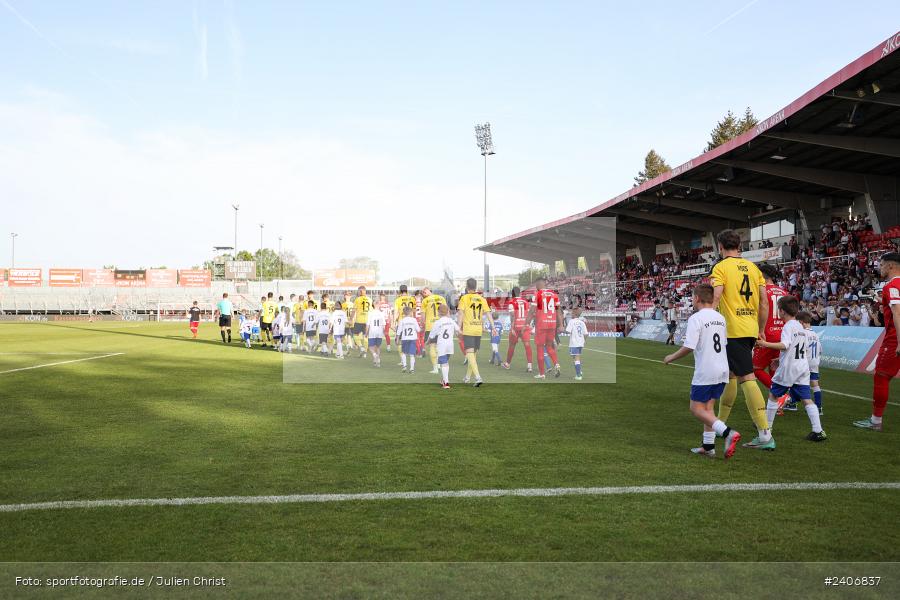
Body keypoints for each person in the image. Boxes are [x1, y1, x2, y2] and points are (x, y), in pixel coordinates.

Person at [710, 229, 772, 450]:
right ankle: (721, 423)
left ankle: (765, 433)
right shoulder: (755, 269)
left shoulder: (720, 267)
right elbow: (764, 302)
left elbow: (716, 295)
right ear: (739, 246)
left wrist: (706, 320)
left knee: (747, 376)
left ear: (720, 246)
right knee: (731, 375)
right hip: (750, 327)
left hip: (733, 329)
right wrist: (761, 329)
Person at [664, 283, 741, 459]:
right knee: (708, 408)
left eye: (692, 297)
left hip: (706, 369)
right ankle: (708, 447)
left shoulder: (696, 318)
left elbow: (689, 346)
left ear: (697, 298)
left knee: (696, 408)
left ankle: (728, 433)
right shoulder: (720, 318)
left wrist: (671, 357)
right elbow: (724, 344)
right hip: (722, 369)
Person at [755, 296, 826, 442]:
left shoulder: (788, 326)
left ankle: (767, 430)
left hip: (790, 368)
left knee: (773, 395)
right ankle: (818, 431)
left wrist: (764, 343)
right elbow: (799, 348)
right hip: (802, 367)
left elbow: (785, 344)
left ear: (781, 311)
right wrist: (778, 359)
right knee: (806, 399)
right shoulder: (800, 327)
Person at [854, 252, 900, 431]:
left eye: (881, 265)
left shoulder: (892, 285)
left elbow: (897, 312)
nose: (879, 269)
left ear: (890, 266)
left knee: (881, 376)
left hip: (894, 338)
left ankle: (875, 421)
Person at [753, 263, 790, 397]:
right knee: (774, 369)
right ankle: (778, 402)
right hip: (782, 336)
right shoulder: (784, 292)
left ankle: (783, 395)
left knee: (755, 369)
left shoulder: (761, 292)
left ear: (761, 276)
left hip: (766, 335)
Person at [456, 277, 496, 387]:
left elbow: (460, 313)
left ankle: (478, 377)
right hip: (478, 329)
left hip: (469, 329)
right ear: (476, 286)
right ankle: (467, 377)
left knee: (470, 354)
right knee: (472, 355)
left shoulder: (464, 298)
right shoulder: (481, 299)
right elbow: (488, 314)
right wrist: (493, 328)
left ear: (467, 287)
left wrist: (458, 328)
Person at [789, 311, 823, 415]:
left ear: (801, 322)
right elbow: (820, 350)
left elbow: (799, 349)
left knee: (793, 381)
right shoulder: (815, 335)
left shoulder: (803, 334)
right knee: (815, 385)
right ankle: (819, 407)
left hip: (804, 362)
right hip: (814, 362)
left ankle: (793, 403)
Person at [530, 277, 562, 379]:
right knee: (549, 347)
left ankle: (542, 374)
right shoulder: (554, 295)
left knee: (540, 348)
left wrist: (526, 323)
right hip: (552, 324)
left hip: (541, 325)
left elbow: (531, 311)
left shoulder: (538, 294)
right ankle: (556, 364)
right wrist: (561, 325)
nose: (535, 287)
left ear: (539, 284)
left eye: (536, 285)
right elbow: (559, 312)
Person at [429, 303, 461, 389]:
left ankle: (446, 383)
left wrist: (427, 341)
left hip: (442, 345)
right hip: (450, 345)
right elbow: (458, 330)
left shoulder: (438, 322)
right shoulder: (451, 321)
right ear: (447, 311)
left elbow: (432, 336)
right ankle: (444, 380)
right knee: (445, 362)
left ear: (438, 312)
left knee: (444, 363)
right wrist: (461, 338)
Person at [502, 287, 534, 372]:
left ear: (512, 294)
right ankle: (529, 365)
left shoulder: (512, 302)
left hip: (516, 326)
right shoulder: (526, 302)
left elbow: (512, 315)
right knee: (527, 345)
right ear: (519, 293)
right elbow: (530, 313)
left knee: (512, 345)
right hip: (525, 326)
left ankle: (508, 364)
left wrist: (512, 327)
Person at [421, 287, 447, 374]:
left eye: (424, 292)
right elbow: (447, 311)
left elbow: (423, 315)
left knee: (432, 346)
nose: (424, 293)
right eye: (423, 292)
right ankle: (439, 365)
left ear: (429, 291)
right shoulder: (441, 298)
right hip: (441, 325)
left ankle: (435, 368)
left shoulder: (425, 301)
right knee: (439, 346)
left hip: (430, 326)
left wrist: (423, 323)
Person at [397, 306, 421, 373]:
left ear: (404, 313)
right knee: (412, 354)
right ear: (410, 312)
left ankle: (404, 366)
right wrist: (421, 328)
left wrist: (397, 339)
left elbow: (399, 331)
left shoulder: (402, 320)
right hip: (412, 339)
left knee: (404, 353)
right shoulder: (414, 320)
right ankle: (412, 369)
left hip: (404, 339)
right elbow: (418, 330)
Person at [565, 307, 587, 380]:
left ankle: (578, 375)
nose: (571, 314)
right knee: (575, 357)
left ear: (574, 314)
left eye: (572, 313)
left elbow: (568, 331)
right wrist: (584, 340)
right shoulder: (582, 322)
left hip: (574, 343)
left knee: (576, 358)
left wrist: (563, 330)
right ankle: (579, 371)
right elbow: (586, 334)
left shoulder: (571, 321)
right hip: (581, 343)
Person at [352, 286, 373, 358]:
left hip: (359, 320)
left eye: (359, 291)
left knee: (355, 335)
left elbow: (354, 310)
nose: (358, 292)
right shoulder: (369, 299)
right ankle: (365, 354)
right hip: (367, 321)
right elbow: (371, 311)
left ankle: (361, 347)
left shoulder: (357, 299)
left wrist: (351, 319)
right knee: (365, 336)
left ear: (361, 291)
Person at [365, 301, 386, 367]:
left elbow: (368, 324)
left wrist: (366, 333)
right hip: (379, 332)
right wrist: (383, 332)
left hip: (372, 332)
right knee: (377, 347)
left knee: (371, 347)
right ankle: (377, 360)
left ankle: (375, 355)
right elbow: (384, 325)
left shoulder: (370, 313)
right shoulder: (381, 313)